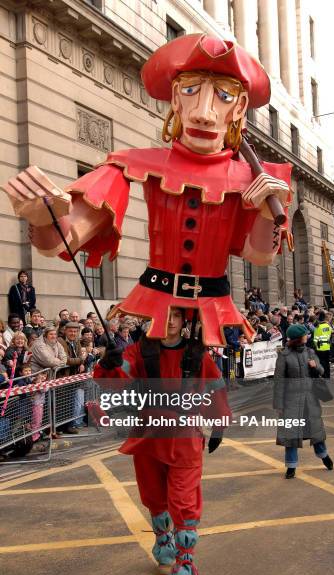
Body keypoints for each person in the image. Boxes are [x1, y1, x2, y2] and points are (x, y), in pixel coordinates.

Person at [3, 33, 292, 350]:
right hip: (153, 305)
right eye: (191, 91)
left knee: (204, 392)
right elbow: (62, 242)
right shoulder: (131, 164)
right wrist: (45, 218)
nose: (203, 113)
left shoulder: (258, 180)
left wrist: (266, 213)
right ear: (176, 99)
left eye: (223, 96)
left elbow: (259, 256)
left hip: (212, 308)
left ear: (239, 108)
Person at [94, 307, 231, 575]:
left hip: (184, 438)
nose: (169, 321)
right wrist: (109, 363)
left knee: (183, 501)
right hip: (148, 435)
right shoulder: (137, 351)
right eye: (163, 315)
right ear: (152, 319)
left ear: (184, 321)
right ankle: (164, 545)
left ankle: (184, 566)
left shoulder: (198, 355)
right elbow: (114, 382)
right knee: (154, 497)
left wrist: (219, 422)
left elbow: (215, 388)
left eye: (176, 316)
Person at [273, 323, 333, 479]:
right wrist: (279, 404)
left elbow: (321, 370)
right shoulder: (284, 356)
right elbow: (279, 382)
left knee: (316, 430)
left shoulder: (310, 352)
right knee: (291, 435)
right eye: (305, 334)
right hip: (291, 401)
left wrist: (315, 367)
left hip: (310, 399)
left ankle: (324, 455)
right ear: (298, 338)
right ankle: (291, 466)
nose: (308, 336)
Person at [58, 322, 86, 433]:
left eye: (75, 331)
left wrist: (81, 361)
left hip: (74, 377)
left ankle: (70, 425)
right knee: (62, 404)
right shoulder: (61, 341)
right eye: (70, 331)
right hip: (63, 377)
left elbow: (79, 357)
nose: (73, 333)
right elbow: (67, 360)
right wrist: (81, 360)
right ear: (65, 331)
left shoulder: (77, 342)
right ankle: (61, 428)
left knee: (71, 402)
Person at [313, 310, 332, 378]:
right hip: (327, 347)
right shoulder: (328, 326)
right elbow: (329, 336)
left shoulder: (318, 327)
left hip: (320, 348)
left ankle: (323, 376)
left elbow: (315, 340)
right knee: (327, 363)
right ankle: (328, 376)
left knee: (321, 363)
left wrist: (315, 346)